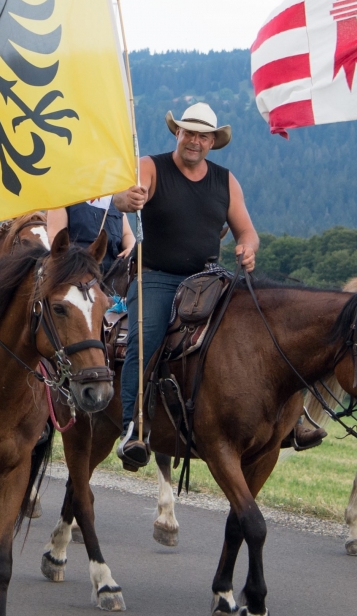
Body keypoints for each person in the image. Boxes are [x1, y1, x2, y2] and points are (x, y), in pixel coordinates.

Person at [110, 101, 260, 470]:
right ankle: (133, 426)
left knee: (260, 325)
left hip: (208, 278)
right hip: (156, 276)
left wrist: (247, 248)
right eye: (188, 132)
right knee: (144, 336)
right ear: (177, 133)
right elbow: (124, 196)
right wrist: (128, 199)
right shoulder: (151, 166)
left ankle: (289, 419)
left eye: (202, 136)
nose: (194, 140)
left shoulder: (225, 180)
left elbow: (248, 231)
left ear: (212, 142)